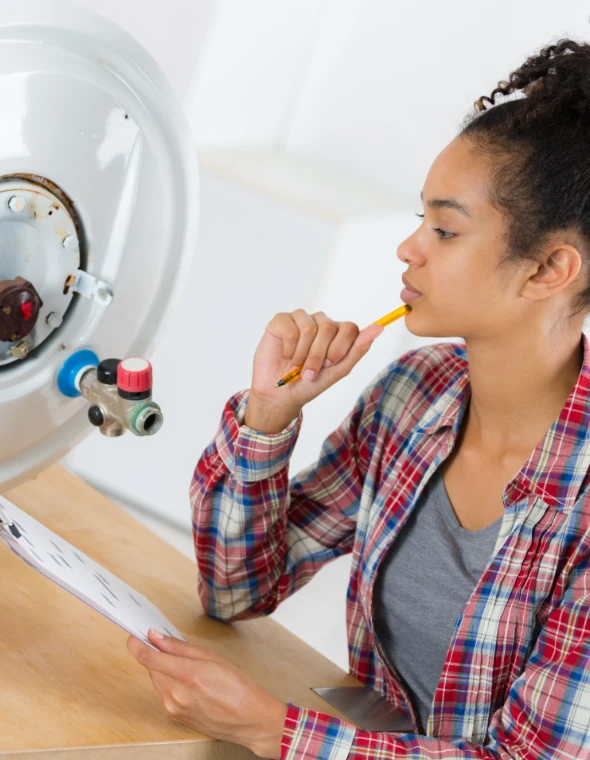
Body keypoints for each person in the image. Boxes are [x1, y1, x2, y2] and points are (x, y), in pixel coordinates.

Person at [127, 37, 590, 759]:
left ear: (549, 270)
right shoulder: (416, 392)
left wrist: (266, 729)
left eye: (444, 229)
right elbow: (235, 593)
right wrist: (270, 416)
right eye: (418, 221)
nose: (410, 250)